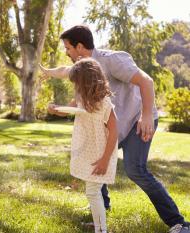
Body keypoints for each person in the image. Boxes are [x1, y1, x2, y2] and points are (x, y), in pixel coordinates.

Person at [40, 25, 189, 233]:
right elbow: (73, 92)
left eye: (68, 48)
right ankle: (101, 209)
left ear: (80, 46)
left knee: (135, 170)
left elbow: (146, 81)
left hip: (137, 120)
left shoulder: (112, 60)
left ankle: (179, 223)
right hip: (113, 127)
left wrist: (146, 115)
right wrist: (58, 108)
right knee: (96, 160)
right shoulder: (84, 71)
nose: (66, 53)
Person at [49, 58, 118, 233]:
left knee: (92, 192)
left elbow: (114, 133)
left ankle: (101, 230)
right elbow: (68, 110)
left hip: (101, 154)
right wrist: (55, 110)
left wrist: (104, 160)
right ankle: (100, 227)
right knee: (93, 192)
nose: (76, 88)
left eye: (78, 84)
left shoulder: (104, 104)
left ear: (88, 82)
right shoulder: (82, 98)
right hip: (90, 151)